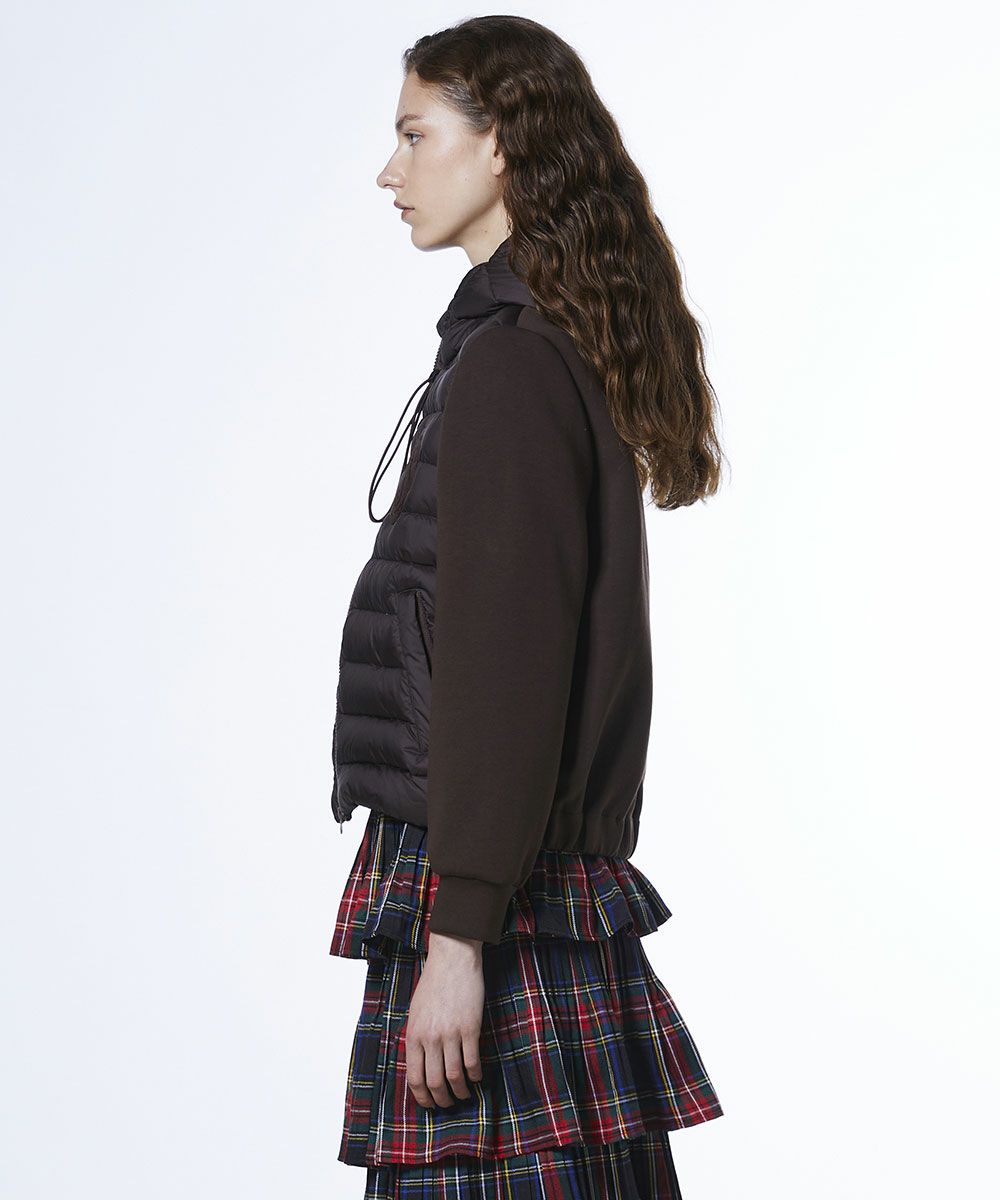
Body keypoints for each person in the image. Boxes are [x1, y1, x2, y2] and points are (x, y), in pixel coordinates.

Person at [328, 15, 726, 1198]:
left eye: (415, 135)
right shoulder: (534, 346)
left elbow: (506, 672)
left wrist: (457, 940)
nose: (390, 171)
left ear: (499, 144)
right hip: (519, 884)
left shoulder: (510, 362)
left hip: (493, 896)